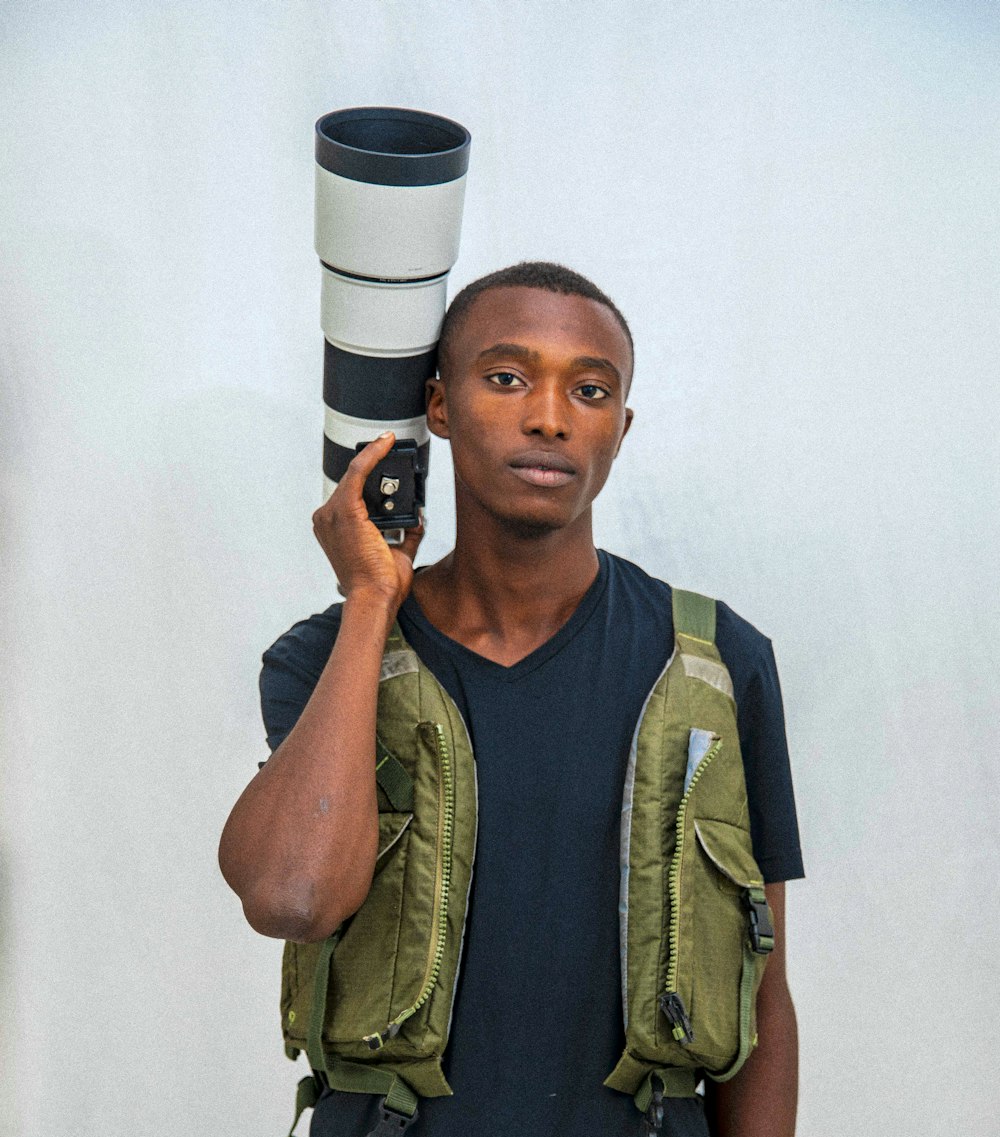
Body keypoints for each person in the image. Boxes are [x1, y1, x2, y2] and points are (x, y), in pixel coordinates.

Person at [219, 262, 804, 1137]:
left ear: (621, 427)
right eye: (506, 377)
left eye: (591, 390)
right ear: (440, 407)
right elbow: (292, 896)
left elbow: (764, 995)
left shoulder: (718, 665)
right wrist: (371, 602)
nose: (549, 415)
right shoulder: (325, 658)